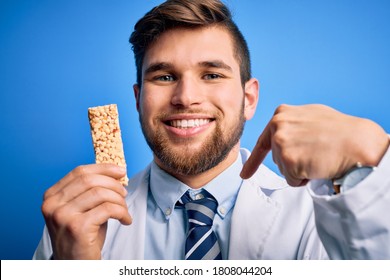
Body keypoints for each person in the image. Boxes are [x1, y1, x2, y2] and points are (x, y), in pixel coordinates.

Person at [34, 0, 390, 260]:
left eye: (212, 75)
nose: (186, 98)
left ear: (249, 99)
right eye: (165, 76)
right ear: (139, 99)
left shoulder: (317, 214)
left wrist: (372, 159)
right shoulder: (76, 223)